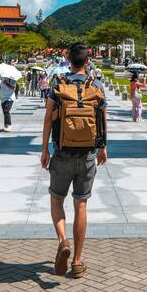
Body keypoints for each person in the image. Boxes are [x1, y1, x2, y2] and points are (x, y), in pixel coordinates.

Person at [40, 42, 107, 279]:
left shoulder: (58, 84)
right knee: (81, 204)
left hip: (62, 152)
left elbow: (48, 119)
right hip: (88, 153)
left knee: (56, 200)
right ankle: (77, 262)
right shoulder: (97, 85)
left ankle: (62, 240)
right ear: (87, 61)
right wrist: (102, 147)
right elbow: (101, 119)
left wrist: (44, 150)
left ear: (69, 60)